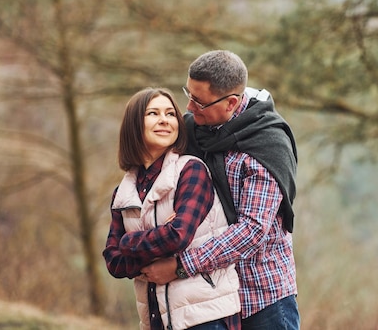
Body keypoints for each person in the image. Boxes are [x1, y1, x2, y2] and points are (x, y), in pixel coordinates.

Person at [141, 50, 300, 329]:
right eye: (188, 94)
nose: (189, 108)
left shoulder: (266, 145)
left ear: (231, 103)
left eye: (199, 102)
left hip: (263, 295)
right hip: (208, 299)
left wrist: (180, 265)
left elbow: (252, 230)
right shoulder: (192, 130)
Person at [102, 87, 241, 330]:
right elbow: (113, 261)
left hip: (204, 316)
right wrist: (153, 245)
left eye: (170, 114)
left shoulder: (190, 171)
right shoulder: (123, 193)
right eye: (153, 113)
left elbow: (177, 236)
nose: (164, 120)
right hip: (157, 318)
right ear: (134, 126)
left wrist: (128, 243)